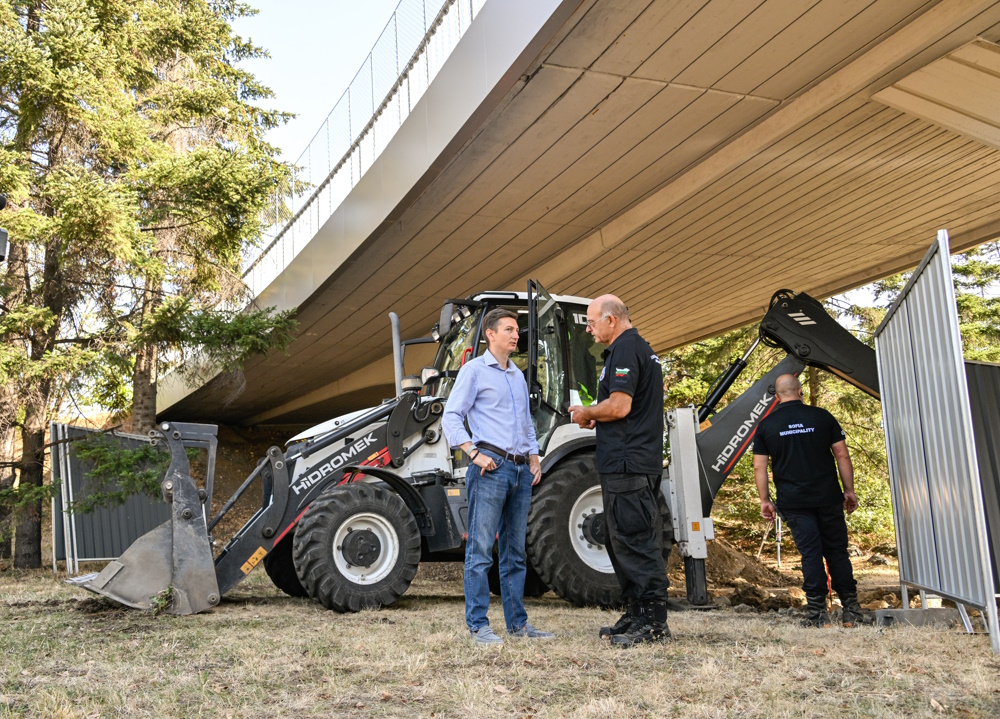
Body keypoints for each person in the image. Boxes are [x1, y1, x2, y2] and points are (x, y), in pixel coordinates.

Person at [442, 308, 554, 646]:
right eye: (508, 329)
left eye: (517, 330)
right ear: (490, 334)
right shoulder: (474, 371)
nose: (515, 334)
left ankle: (518, 626)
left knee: (515, 553)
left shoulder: (517, 377)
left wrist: (534, 458)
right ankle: (478, 626)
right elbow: (451, 417)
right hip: (490, 470)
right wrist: (474, 454)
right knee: (479, 551)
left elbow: (526, 424)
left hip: (521, 471)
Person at [568, 295, 670, 646]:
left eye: (592, 321)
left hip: (629, 462)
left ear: (612, 320)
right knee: (619, 539)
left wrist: (587, 413)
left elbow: (621, 405)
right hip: (627, 460)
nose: (589, 328)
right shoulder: (634, 349)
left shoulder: (626, 349)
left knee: (635, 540)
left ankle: (654, 623)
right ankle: (637, 612)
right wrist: (599, 418)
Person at [753, 373, 871, 627]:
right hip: (827, 496)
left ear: (777, 397)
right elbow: (842, 455)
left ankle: (818, 614)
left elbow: (759, 468)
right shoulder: (822, 417)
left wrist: (765, 500)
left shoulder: (766, 425)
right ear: (800, 392)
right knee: (837, 551)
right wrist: (849, 491)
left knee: (810, 554)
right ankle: (851, 611)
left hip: (793, 501)